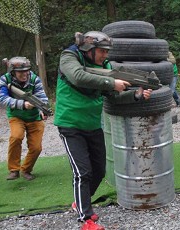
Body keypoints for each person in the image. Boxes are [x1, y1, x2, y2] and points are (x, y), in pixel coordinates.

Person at [54, 31, 152, 230]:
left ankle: (80, 202)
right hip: (70, 123)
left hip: (92, 125)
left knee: (99, 170)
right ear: (89, 49)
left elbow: (113, 97)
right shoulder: (69, 56)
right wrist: (112, 83)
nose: (105, 55)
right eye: (101, 51)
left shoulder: (105, 66)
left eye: (107, 51)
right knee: (83, 172)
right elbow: (78, 77)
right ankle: (86, 219)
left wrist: (136, 94)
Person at [0, 57, 48, 181]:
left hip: (34, 117)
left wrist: (43, 110)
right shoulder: (5, 79)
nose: (25, 74)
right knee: (16, 137)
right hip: (16, 115)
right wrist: (23, 104)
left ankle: (26, 169)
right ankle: (14, 170)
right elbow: (2, 99)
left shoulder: (34, 79)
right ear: (13, 72)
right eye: (21, 72)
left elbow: (42, 98)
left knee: (37, 147)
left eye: (26, 71)